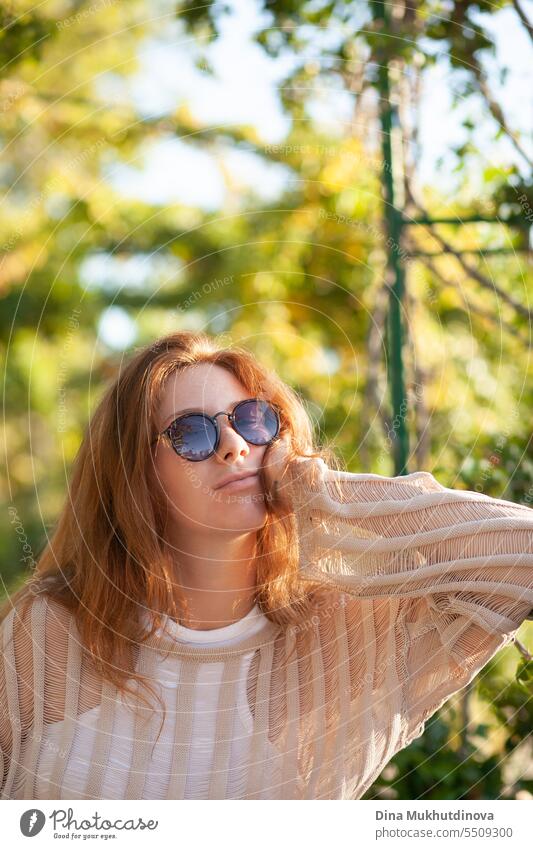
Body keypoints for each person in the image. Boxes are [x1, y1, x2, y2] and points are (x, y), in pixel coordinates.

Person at [1, 330, 533, 800]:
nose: (234, 445)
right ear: (135, 474)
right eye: (191, 433)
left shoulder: (341, 637)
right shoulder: (47, 632)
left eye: (253, 421)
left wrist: (317, 492)